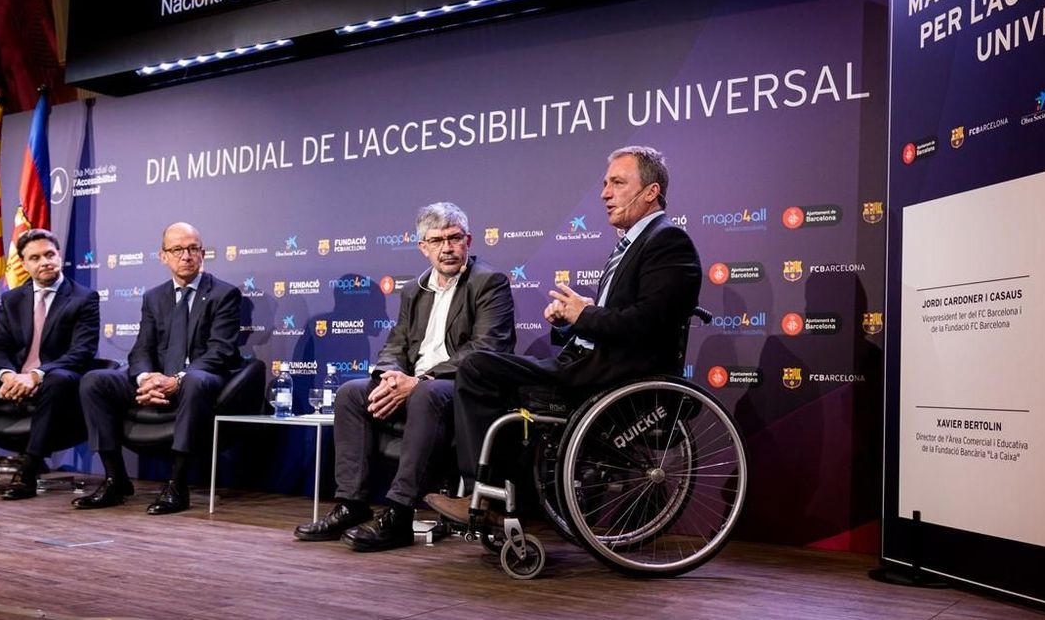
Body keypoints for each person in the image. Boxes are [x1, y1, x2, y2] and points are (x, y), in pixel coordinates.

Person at [425, 146, 701, 524]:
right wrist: (571, 321)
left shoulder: (667, 242)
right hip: (592, 363)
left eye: (617, 183)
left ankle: (487, 498)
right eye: (605, 184)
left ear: (651, 192)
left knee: (477, 367)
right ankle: (507, 495)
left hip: (619, 375)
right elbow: (618, 319)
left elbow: (647, 325)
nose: (604, 193)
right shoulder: (633, 244)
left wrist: (584, 314)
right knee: (489, 375)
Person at [293, 201, 514, 551]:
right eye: (437, 240)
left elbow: (486, 350)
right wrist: (391, 376)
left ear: (468, 240)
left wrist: (419, 381)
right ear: (423, 247)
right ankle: (352, 504)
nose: (447, 248)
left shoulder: (489, 283)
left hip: (461, 389)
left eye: (455, 238)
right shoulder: (414, 289)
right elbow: (395, 344)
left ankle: (399, 513)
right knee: (352, 393)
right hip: (415, 384)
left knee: (427, 394)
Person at [73, 222, 242, 515]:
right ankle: (115, 479)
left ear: (203, 253)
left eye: (192, 249)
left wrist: (176, 379)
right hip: (157, 379)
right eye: (177, 249)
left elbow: (221, 351)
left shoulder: (223, 294)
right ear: (163, 256)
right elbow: (142, 348)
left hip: (196, 380)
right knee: (94, 381)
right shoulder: (154, 297)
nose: (186, 256)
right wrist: (145, 378)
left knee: (196, 381)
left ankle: (177, 484)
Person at [0, 229, 100, 499]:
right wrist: (7, 375)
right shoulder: (13, 298)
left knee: (59, 378)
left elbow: (81, 353)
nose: (45, 262)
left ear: (59, 256)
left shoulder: (84, 298)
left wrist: (36, 375)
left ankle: (30, 466)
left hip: (55, 377)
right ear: (24, 264)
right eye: (35, 257)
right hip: (15, 377)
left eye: (50, 254)